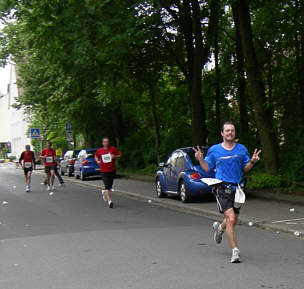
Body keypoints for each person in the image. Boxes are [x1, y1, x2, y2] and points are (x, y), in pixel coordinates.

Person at [193, 121, 261, 263]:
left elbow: (245, 168)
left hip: (237, 188)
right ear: (222, 133)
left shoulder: (241, 149)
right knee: (231, 218)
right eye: (227, 130)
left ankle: (219, 228)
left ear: (234, 133)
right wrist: (200, 159)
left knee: (233, 219)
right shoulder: (214, 150)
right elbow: (206, 168)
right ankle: (235, 251)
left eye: (232, 130)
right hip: (221, 187)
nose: (230, 132)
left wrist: (253, 162)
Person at [95, 137, 121, 208]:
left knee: (109, 186)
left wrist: (114, 156)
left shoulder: (112, 149)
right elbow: (96, 156)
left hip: (112, 170)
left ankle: (104, 192)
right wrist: (97, 161)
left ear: (108, 143)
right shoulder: (100, 150)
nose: (106, 143)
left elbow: (119, 155)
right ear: (102, 143)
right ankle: (110, 201)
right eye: (104, 142)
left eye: (107, 142)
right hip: (103, 171)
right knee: (107, 186)